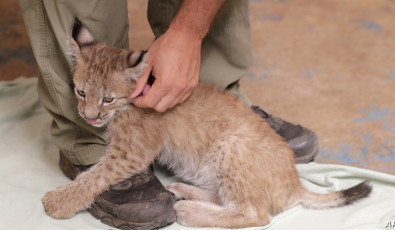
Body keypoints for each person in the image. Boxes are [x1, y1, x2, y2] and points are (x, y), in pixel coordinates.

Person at [20, 0, 319, 229]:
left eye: (106, 100)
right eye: (82, 94)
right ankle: (86, 144)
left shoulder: (131, 96)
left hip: (230, 143)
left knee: (234, 143)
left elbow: (130, 156)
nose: (89, 111)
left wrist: (188, 32)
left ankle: (244, 209)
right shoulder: (104, 88)